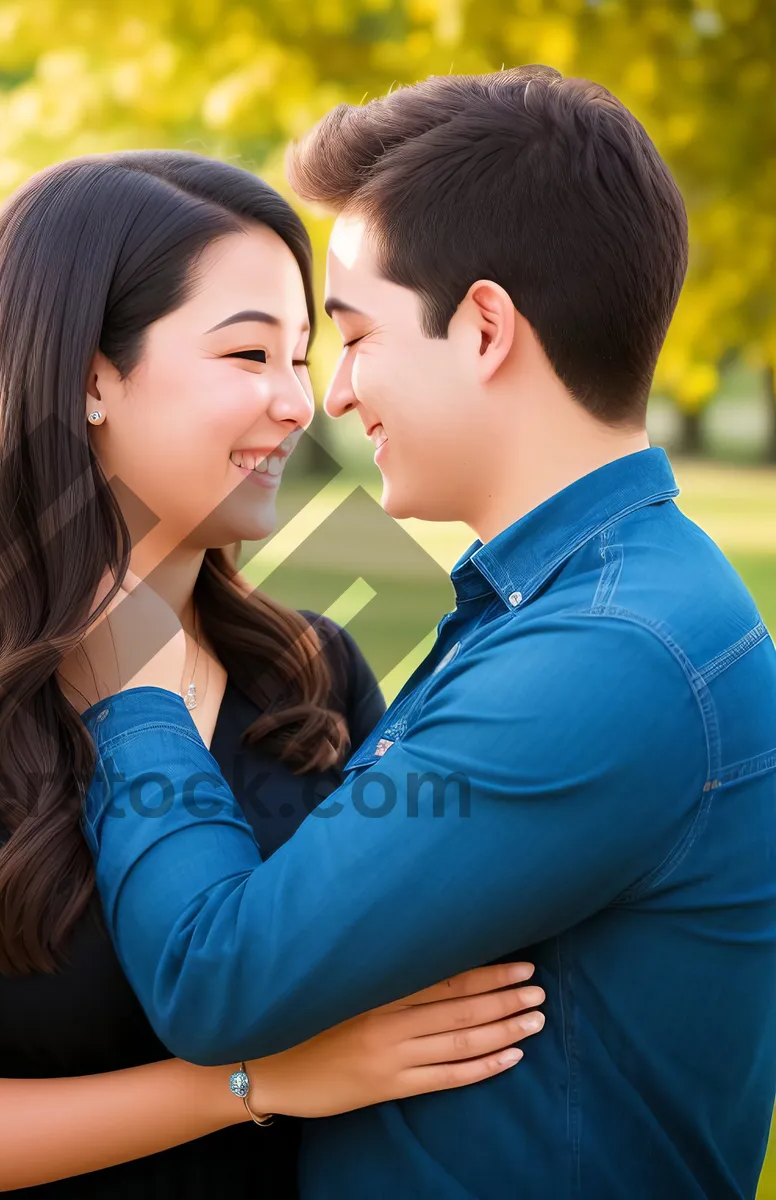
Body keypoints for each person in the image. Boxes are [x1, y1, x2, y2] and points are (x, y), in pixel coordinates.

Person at [0, 149, 547, 1200]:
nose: (302, 404)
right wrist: (245, 1082)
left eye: (305, 356)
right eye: (250, 355)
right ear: (88, 379)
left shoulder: (316, 672)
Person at [72, 68, 776, 1199]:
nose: (333, 395)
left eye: (354, 336)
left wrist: (131, 688)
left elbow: (221, 978)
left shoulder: (608, 657)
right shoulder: (584, 600)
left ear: (486, 327)